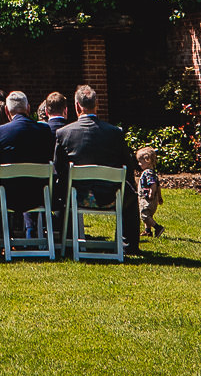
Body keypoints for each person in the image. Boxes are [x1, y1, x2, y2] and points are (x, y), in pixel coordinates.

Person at [53, 84, 140, 253]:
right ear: (97, 104)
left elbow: (58, 169)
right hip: (109, 196)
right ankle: (129, 245)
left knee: (59, 190)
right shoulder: (115, 132)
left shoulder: (64, 133)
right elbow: (127, 168)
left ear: (77, 106)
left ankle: (67, 240)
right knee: (130, 194)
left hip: (77, 196)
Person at [0, 90, 57, 243]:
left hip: (9, 196)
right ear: (28, 108)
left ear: (6, 111)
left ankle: (4, 238)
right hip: (40, 195)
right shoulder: (45, 131)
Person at [136, 146, 165, 238]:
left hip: (147, 199)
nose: (139, 164)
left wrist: (151, 193)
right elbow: (158, 186)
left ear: (147, 160)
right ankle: (148, 231)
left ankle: (158, 227)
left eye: (140, 161)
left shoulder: (147, 172)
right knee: (148, 215)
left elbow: (153, 184)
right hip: (153, 200)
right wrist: (159, 197)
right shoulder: (153, 172)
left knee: (144, 215)